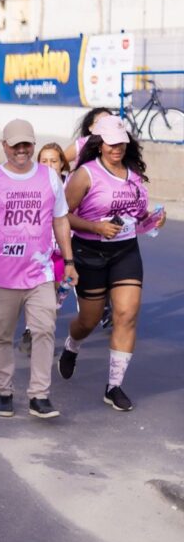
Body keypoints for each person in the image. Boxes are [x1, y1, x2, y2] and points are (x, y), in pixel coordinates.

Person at [0, 119, 78, 419]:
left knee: (44, 330)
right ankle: (4, 390)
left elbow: (60, 220)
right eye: (15, 145)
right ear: (4, 146)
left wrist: (69, 261)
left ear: (33, 145)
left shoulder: (49, 178)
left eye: (26, 144)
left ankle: (40, 395)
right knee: (3, 335)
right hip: (1, 275)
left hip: (40, 273)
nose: (21, 150)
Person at [59, 115, 164, 411]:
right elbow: (62, 215)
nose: (117, 148)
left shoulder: (134, 175)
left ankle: (114, 386)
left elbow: (138, 215)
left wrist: (153, 218)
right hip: (90, 252)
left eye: (121, 143)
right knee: (89, 320)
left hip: (125, 251)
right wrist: (95, 227)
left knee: (127, 315)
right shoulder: (85, 175)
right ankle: (72, 345)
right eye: (111, 143)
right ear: (99, 144)